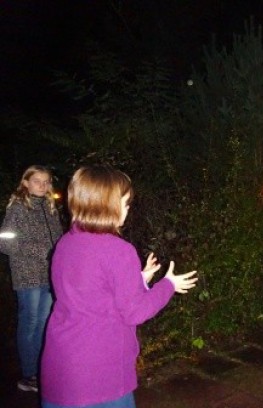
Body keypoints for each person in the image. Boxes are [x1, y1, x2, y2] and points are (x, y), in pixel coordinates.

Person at [40, 165, 198, 408]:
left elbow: (92, 292)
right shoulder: (119, 250)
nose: (128, 208)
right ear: (108, 204)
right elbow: (135, 312)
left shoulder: (66, 243)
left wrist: (140, 279)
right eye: (125, 202)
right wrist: (168, 285)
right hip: (99, 371)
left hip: (61, 365)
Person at [0, 165, 64, 393]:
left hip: (49, 274)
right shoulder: (18, 207)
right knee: (31, 321)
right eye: (37, 181)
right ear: (25, 183)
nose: (42, 185)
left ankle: (41, 369)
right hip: (27, 274)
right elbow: (5, 241)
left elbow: (58, 238)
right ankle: (29, 375)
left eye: (46, 181)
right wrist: (40, 251)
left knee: (44, 322)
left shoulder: (50, 207)